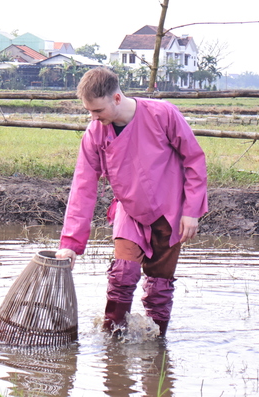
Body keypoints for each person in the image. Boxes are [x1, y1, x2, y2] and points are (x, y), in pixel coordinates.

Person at [55, 67, 208, 337]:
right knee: (122, 276)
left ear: (116, 98)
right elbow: (83, 187)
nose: (93, 118)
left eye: (98, 111)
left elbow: (194, 159)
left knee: (159, 289)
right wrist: (70, 245)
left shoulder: (162, 114)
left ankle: (157, 346)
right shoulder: (95, 134)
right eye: (89, 112)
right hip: (130, 210)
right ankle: (112, 346)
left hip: (169, 211)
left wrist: (191, 211)